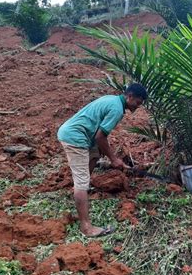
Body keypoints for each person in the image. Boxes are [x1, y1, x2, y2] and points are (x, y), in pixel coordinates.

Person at [57, 83, 147, 237]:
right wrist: (114, 159)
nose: (137, 107)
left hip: (81, 134)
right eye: (137, 102)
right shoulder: (117, 109)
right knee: (81, 181)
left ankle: (81, 190)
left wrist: (108, 154)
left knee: (95, 154)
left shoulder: (112, 100)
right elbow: (100, 136)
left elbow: (99, 138)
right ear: (129, 96)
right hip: (75, 137)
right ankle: (86, 228)